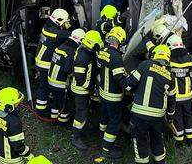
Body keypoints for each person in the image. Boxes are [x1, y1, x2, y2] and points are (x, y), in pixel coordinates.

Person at [127, 45, 176, 164]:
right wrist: (170, 118)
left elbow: (129, 84)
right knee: (157, 139)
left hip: (140, 115)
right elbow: (171, 101)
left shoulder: (145, 65)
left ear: (154, 55)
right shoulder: (170, 76)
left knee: (140, 141)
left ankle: (142, 161)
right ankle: (160, 161)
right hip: (158, 117)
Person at [96, 26, 130, 159]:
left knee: (104, 117)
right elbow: (120, 78)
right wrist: (129, 85)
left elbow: (101, 66)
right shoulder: (116, 57)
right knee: (115, 121)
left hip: (103, 92)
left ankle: (102, 137)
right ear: (119, 41)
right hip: (113, 96)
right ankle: (107, 149)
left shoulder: (103, 51)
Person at [34, 8, 72, 116]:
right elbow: (64, 35)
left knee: (44, 86)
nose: (65, 25)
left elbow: (62, 30)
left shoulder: (47, 26)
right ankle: (41, 110)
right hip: (44, 63)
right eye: (64, 22)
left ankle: (43, 107)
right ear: (58, 20)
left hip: (41, 60)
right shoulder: (53, 32)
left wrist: (72, 20)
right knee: (44, 86)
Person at [166, 34, 192, 146]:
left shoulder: (169, 61)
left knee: (177, 118)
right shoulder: (189, 60)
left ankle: (179, 141)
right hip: (187, 97)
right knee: (188, 116)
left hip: (174, 98)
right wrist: (188, 54)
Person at [70, 30, 103, 151]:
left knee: (83, 112)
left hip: (83, 89)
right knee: (81, 113)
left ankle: (81, 132)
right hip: (80, 90)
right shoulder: (83, 56)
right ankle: (76, 137)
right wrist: (89, 87)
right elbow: (79, 77)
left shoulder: (87, 51)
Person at [47, 29, 85, 123]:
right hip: (60, 83)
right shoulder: (71, 51)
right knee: (64, 102)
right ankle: (63, 121)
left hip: (51, 79)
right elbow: (67, 69)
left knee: (55, 100)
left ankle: (53, 116)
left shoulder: (61, 47)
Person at [0, 87, 34, 164]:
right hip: (12, 159)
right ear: (8, 107)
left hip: (0, 155)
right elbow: (18, 146)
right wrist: (28, 155)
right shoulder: (14, 122)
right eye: (16, 104)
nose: (19, 105)